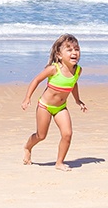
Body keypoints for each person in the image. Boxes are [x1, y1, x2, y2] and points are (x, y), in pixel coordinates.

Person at [21, 34, 87, 170]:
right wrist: (27, 98)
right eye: (69, 50)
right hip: (44, 106)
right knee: (41, 135)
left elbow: (73, 84)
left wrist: (77, 100)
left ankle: (59, 163)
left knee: (67, 134)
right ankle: (28, 147)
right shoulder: (54, 69)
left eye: (77, 49)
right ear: (59, 54)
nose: (74, 52)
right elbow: (36, 80)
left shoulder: (78, 71)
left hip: (61, 108)